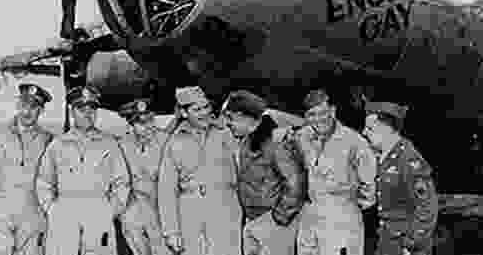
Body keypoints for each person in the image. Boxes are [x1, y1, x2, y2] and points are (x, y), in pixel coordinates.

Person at [36, 86, 130, 255]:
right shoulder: (57, 145)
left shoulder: (109, 144)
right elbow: (44, 182)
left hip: (98, 210)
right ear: (72, 112)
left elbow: (122, 182)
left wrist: (110, 211)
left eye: (92, 109)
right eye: (81, 109)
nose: (87, 113)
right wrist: (52, 210)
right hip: (65, 211)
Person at [0, 83, 54, 255]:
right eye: (23, 106)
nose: (27, 112)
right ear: (17, 105)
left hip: (33, 219)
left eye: (33, 107)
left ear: (41, 110)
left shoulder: (48, 140)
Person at [220, 90, 308, 255]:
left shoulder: (278, 142)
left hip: (273, 223)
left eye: (230, 118)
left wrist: (278, 219)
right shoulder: (247, 139)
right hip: (254, 221)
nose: (228, 124)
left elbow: (296, 184)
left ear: (244, 116)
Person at [158, 86, 243, 255]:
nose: (204, 113)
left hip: (225, 209)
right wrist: (171, 232)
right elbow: (166, 189)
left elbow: (245, 169)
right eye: (197, 109)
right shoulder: (174, 142)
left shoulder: (227, 133)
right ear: (183, 113)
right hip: (190, 212)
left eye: (206, 107)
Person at [295, 89, 377, 255]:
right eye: (312, 114)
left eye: (322, 113)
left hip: (341, 217)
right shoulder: (301, 137)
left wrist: (348, 204)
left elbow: (369, 185)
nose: (317, 120)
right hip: (309, 214)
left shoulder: (354, 142)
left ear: (333, 110)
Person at [361, 101, 438, 255]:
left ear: (388, 130)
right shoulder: (382, 158)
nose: (364, 132)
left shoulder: (408, 159)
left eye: (370, 128)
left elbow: (427, 208)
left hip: (405, 245)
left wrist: (411, 244)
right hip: (386, 241)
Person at [116, 98, 172, 255]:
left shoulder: (166, 142)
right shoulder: (122, 144)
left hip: (160, 208)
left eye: (150, 120)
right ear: (131, 125)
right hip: (134, 208)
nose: (149, 127)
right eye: (142, 123)